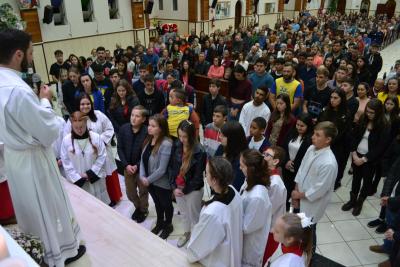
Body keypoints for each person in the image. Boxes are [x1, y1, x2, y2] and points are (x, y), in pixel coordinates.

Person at [0, 29, 84, 267]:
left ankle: (39, 250)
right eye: (30, 52)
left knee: (29, 211)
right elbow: (47, 130)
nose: (31, 56)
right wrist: (46, 100)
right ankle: (58, 252)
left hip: (15, 159)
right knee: (47, 205)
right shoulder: (17, 90)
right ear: (18, 55)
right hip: (33, 158)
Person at [64, 93, 121, 206]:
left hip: (101, 150)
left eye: (88, 103)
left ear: (92, 104)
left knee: (104, 176)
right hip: (83, 155)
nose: (85, 106)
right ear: (78, 105)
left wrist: (100, 141)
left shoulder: (99, 115)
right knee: (89, 179)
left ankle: (111, 198)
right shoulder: (73, 119)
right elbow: (67, 137)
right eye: (82, 104)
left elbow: (109, 129)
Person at [187, 157, 243, 266]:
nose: (205, 175)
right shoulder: (233, 190)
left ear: (214, 180)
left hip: (217, 259)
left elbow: (200, 244)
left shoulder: (213, 213)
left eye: (206, 173)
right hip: (231, 250)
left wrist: (191, 253)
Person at [292, 121, 338, 254]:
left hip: (313, 204)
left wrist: (299, 195)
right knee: (298, 226)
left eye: (318, 135)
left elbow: (320, 189)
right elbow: (301, 170)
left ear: (328, 140)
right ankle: (296, 251)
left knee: (309, 230)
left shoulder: (329, 163)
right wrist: (295, 191)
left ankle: (309, 256)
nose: (313, 137)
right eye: (314, 133)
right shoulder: (311, 148)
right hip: (299, 196)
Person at [342, 99, 390, 216]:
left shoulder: (384, 125)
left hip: (370, 160)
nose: (369, 114)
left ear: (378, 112)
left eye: (372, 113)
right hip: (356, 155)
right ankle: (352, 200)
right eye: (368, 111)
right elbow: (354, 137)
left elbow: (380, 147)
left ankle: (359, 203)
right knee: (355, 180)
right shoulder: (363, 119)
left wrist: (363, 159)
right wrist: (353, 154)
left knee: (367, 182)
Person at [169, 120, 206, 248]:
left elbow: (197, 178)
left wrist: (184, 191)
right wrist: (174, 187)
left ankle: (196, 240)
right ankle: (186, 233)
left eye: (185, 136)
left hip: (193, 190)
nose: (182, 139)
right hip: (178, 188)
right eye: (180, 136)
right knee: (184, 214)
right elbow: (171, 168)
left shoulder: (200, 151)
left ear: (191, 135)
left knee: (194, 216)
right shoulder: (177, 145)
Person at [61, 111, 110, 204]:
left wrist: (90, 173)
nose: (79, 130)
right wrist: (77, 177)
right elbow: (65, 161)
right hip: (78, 181)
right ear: (71, 125)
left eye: (82, 127)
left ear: (86, 123)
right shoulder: (66, 141)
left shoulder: (96, 138)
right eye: (76, 128)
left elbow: (102, 156)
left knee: (98, 205)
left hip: (94, 180)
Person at [140, 114, 174, 239]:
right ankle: (160, 223)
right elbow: (143, 159)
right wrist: (142, 176)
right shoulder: (149, 139)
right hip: (150, 182)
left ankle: (168, 225)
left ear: (161, 128)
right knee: (157, 204)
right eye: (149, 125)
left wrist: (147, 180)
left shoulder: (166, 143)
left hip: (161, 183)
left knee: (166, 204)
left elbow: (162, 169)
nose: (149, 128)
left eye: (153, 126)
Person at [239, 149, 272, 267]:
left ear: (251, 170)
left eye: (242, 166)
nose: (239, 168)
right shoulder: (249, 181)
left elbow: (247, 227)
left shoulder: (257, 197)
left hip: (250, 247)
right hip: (243, 241)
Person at [117, 106, 149, 223]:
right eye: (132, 115)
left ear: (143, 119)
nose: (133, 118)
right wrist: (126, 165)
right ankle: (138, 207)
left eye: (137, 116)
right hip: (127, 167)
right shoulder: (124, 129)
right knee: (130, 193)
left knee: (143, 191)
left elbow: (147, 153)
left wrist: (137, 165)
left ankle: (144, 209)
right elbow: (119, 148)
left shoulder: (147, 132)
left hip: (142, 169)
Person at [319, 89, 352, 190]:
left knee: (336, 166)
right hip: (323, 142)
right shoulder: (326, 110)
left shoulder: (346, 114)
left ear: (342, 99)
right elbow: (320, 125)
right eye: (331, 97)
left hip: (338, 145)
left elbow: (342, 132)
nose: (332, 100)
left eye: (335, 98)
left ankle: (335, 182)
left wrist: (329, 142)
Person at [282, 113, 313, 210]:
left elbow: (306, 157)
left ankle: (295, 207)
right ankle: (285, 205)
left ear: (308, 126)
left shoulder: (310, 139)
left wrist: (294, 164)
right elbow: (284, 148)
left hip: (299, 169)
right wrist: (286, 161)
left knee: (295, 189)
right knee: (286, 187)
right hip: (287, 167)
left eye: (302, 126)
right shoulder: (291, 133)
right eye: (297, 125)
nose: (299, 127)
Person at [262, 146, 287, 265]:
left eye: (267, 155)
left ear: (275, 161)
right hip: (263, 225)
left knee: (261, 258)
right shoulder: (265, 174)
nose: (263, 157)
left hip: (270, 231)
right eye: (264, 153)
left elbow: (269, 210)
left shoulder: (276, 183)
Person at [215, 121, 248, 191]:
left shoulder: (242, 160)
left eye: (223, 136)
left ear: (233, 138)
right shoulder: (221, 147)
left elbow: (235, 185)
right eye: (220, 134)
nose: (219, 137)